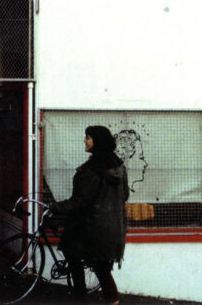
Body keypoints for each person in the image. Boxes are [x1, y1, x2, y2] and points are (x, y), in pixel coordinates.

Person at [50, 125, 129, 305]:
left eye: (88, 137)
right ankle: (107, 300)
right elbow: (124, 195)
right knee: (101, 267)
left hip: (92, 226)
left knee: (74, 254)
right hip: (113, 225)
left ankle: (81, 296)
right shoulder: (119, 166)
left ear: (97, 141)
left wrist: (53, 207)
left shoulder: (90, 171)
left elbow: (80, 202)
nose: (84, 141)